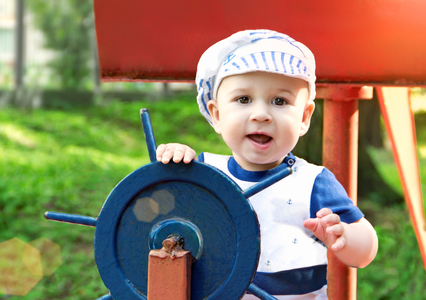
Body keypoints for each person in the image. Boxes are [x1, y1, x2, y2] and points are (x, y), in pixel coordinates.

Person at [155, 29, 378, 299]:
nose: (261, 114)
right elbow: (160, 221)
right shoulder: (204, 173)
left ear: (305, 117)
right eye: (244, 99)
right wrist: (173, 165)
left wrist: (343, 236)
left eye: (280, 101)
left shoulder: (312, 183)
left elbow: (366, 251)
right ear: (216, 114)